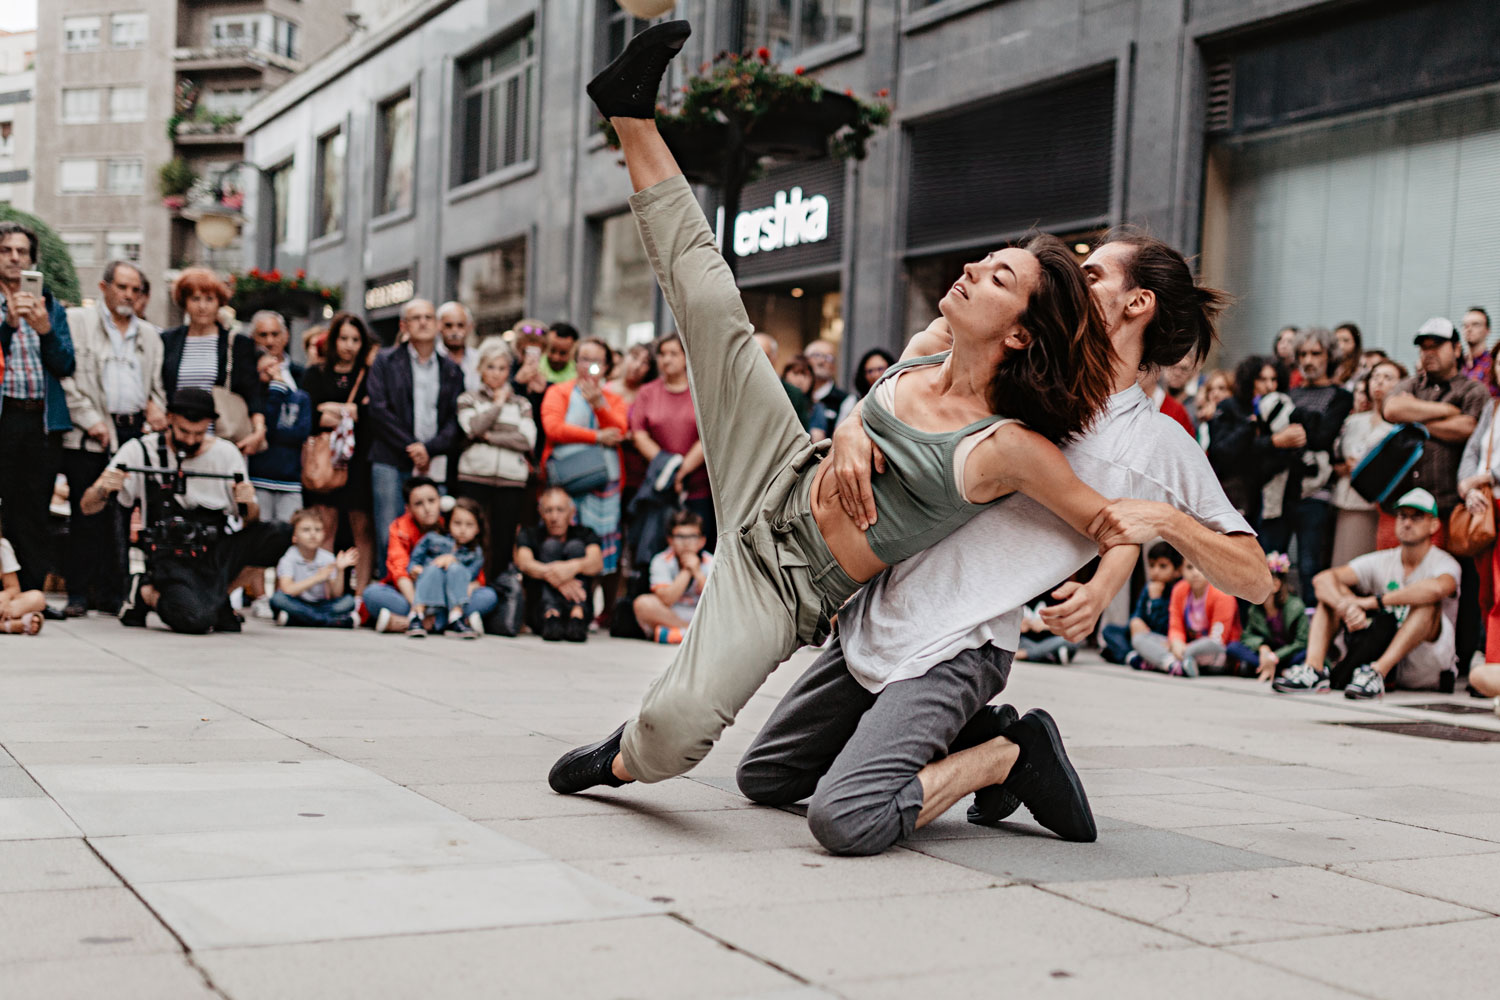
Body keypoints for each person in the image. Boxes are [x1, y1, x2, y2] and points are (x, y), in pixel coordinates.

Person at [550, 21, 1138, 807]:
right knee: (714, 304)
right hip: (779, 467)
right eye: (984, 260)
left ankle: (621, 757)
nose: (969, 270)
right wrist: (857, 422)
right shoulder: (931, 345)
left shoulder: (1011, 447)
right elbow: (874, 395)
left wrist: (1099, 592)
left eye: (996, 276)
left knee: (678, 732)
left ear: (1021, 331)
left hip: (787, 586)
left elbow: (1110, 521)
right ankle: (628, 112)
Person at [736, 229, 1270, 857]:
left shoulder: (1156, 445)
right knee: (765, 776)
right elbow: (904, 384)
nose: (1075, 279)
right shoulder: (1019, 370)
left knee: (846, 819)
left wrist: (1171, 525)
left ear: (1137, 304)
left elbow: (1256, 578)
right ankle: (972, 735)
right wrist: (853, 427)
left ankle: (1002, 756)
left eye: (1093, 275)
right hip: (884, 614)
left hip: (962, 645)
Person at [80, 388, 292, 634]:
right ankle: (146, 593)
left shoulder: (226, 454)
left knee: (279, 533)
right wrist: (104, 490)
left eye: (199, 434)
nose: (190, 441)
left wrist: (249, 504)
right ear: (169, 419)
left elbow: (250, 520)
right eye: (183, 432)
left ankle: (218, 597)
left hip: (214, 549)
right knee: (195, 621)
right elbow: (88, 506)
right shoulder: (141, 450)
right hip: (169, 557)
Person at [1275, 488, 1459, 699]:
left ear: (1434, 524)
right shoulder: (1384, 559)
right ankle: (1313, 669)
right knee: (1331, 597)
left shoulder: (1444, 562)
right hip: (1373, 666)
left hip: (1426, 669)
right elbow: (1322, 580)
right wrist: (1348, 605)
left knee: (1427, 604)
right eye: (1402, 516)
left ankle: (1377, 672)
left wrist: (1372, 603)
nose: (1407, 523)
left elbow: (1437, 588)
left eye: (1416, 517)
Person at [1381, 317, 1488, 676]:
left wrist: (1417, 419)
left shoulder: (1473, 390)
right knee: (1407, 582)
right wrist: (1443, 413)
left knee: (1460, 588)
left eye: (1436, 345)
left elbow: (1469, 428)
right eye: (1423, 347)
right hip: (1408, 506)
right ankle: (1401, 658)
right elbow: (1393, 409)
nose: (1428, 353)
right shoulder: (1410, 384)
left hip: (1450, 506)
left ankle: (1457, 660)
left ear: (1456, 348)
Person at [60, 260, 165, 616]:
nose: (129, 295)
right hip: (90, 432)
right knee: (86, 511)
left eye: (136, 289)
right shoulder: (78, 322)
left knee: (121, 515)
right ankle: (77, 592)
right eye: (122, 287)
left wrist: (156, 412)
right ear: (104, 287)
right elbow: (67, 379)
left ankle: (111, 593)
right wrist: (90, 420)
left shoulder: (150, 334)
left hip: (133, 432)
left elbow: (157, 387)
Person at [0, 219, 76, 593]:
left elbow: (66, 364)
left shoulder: (50, 304)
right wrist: (8, 326)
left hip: (41, 422)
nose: (15, 258)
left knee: (35, 509)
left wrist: (45, 330)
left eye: (22, 252)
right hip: (5, 418)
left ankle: (31, 591)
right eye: (6, 250)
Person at [366, 298, 465, 574]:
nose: (423, 322)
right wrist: (411, 446)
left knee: (432, 531)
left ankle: (426, 598)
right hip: (390, 457)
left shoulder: (451, 369)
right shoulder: (386, 361)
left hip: (432, 461)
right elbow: (378, 409)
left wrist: (429, 449)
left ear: (437, 325)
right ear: (404, 325)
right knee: (389, 530)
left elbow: (455, 419)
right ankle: (390, 594)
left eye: (428, 317)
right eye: (416, 317)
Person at [1257, 327, 1353, 605]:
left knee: (1311, 566)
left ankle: (1312, 633)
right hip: (1279, 493)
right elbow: (1265, 439)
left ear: (1329, 356)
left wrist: (1292, 434)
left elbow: (1323, 437)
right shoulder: (1288, 393)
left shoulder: (1340, 396)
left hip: (1316, 495)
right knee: (1271, 565)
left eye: (1315, 353)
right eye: (1302, 354)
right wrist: (1284, 438)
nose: (1308, 360)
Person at [541, 336, 628, 619]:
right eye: (584, 359)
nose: (589, 365)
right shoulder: (559, 391)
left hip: (605, 482)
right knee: (567, 538)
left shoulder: (613, 398)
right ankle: (565, 603)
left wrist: (600, 406)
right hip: (569, 479)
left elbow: (620, 431)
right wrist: (596, 437)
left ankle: (591, 608)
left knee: (600, 541)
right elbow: (553, 427)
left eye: (597, 361)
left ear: (606, 366)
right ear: (575, 362)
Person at [363, 476, 498, 634]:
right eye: (419, 504)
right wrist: (420, 606)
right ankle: (438, 621)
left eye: (432, 501)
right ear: (408, 509)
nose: (427, 508)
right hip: (413, 595)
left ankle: (410, 622)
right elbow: (400, 573)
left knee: (488, 596)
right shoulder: (399, 528)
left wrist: (456, 572)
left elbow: (476, 577)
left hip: (451, 596)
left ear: (441, 501)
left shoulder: (455, 522)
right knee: (372, 594)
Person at [302, 312, 377, 592]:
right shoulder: (315, 374)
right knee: (326, 526)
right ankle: (325, 590)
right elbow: (309, 415)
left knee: (362, 529)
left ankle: (361, 596)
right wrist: (350, 412)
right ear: (333, 340)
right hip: (325, 460)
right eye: (344, 338)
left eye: (355, 339)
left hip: (359, 460)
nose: (349, 345)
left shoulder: (369, 376)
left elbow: (371, 417)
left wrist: (331, 409)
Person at [161, 268, 264, 454]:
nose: (203, 306)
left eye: (209, 299)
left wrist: (259, 430)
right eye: (195, 299)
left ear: (219, 303)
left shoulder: (237, 343)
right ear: (184, 302)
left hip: (223, 440)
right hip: (177, 439)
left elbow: (252, 392)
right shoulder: (168, 340)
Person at [456, 339, 535, 579]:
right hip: (474, 476)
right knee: (470, 535)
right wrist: (498, 405)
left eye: (502, 368)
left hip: (511, 480)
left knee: (503, 539)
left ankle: (498, 595)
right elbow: (473, 428)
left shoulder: (522, 403)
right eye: (491, 367)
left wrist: (489, 436)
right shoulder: (468, 399)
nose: (497, 373)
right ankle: (467, 586)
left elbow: (526, 440)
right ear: (480, 369)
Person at [630, 333, 712, 544]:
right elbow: (639, 434)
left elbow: (707, 436)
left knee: (698, 548)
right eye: (662, 354)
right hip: (658, 487)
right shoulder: (647, 392)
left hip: (697, 487)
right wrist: (667, 468)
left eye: (673, 354)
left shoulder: (702, 392)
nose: (666, 359)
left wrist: (680, 471)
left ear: (686, 357)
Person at [1330, 363, 1398, 566]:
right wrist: (1342, 467)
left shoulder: (1398, 427)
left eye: (1387, 377)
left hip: (1373, 504)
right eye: (1375, 376)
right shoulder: (1352, 421)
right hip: (1344, 499)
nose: (1379, 381)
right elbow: (1335, 457)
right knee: (1340, 560)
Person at [1126, 558, 1241, 676]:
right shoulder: (1179, 589)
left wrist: (1183, 649)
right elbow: (1175, 627)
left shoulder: (1222, 595)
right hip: (1183, 646)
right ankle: (1173, 664)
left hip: (1214, 651)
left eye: (1201, 568)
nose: (1195, 573)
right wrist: (1176, 643)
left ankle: (1159, 661)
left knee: (1209, 647)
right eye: (1190, 567)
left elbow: (1217, 640)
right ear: (1182, 570)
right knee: (1139, 638)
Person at [516, 486, 603, 642]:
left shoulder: (586, 533)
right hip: (540, 612)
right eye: (548, 511)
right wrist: (556, 576)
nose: (554, 517)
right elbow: (524, 563)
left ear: (572, 512)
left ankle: (577, 613)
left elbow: (596, 563)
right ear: (541, 513)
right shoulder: (529, 534)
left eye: (560, 510)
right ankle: (552, 613)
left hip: (579, 608)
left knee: (575, 547)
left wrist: (572, 568)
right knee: (551, 546)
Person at [1199, 357, 1271, 524]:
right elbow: (1220, 451)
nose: (1216, 393)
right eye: (1212, 389)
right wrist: (1249, 426)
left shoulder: (1268, 410)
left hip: (1260, 493)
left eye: (1222, 388)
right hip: (1228, 492)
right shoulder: (1226, 413)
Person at [404, 496, 487, 639]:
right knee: (434, 569)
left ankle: (455, 616)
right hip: (428, 589)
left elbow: (469, 576)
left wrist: (453, 560)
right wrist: (415, 569)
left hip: (453, 596)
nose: (462, 530)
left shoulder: (476, 552)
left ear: (478, 528)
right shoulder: (432, 538)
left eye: (469, 525)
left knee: (485, 592)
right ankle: (417, 615)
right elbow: (414, 561)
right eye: (457, 523)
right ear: (448, 523)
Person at [247, 350, 312, 524]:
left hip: (290, 480)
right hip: (260, 478)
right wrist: (276, 391)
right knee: (260, 533)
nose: (270, 371)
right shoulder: (257, 398)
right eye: (265, 367)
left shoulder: (301, 397)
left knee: (288, 532)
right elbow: (266, 428)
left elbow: (302, 434)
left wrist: (272, 434)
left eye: (273, 366)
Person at [632, 508, 712, 645]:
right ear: (670, 540)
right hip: (672, 614)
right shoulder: (661, 560)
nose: (686, 542)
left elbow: (717, 600)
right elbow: (667, 599)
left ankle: (678, 635)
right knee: (642, 603)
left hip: (701, 615)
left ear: (702, 541)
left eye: (692, 536)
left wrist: (698, 573)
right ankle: (693, 635)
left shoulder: (712, 561)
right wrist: (687, 570)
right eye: (680, 537)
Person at [1225, 551, 1307, 680]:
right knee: (1233, 647)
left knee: (1306, 653)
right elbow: (1247, 636)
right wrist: (1263, 648)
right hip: (1266, 653)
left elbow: (1301, 642)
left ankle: (1271, 668)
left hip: (1287, 654)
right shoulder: (1255, 608)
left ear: (1275, 585)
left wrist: (1275, 657)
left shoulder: (1295, 606)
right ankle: (1278, 671)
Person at [271, 508, 358, 628]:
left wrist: (340, 570)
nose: (313, 534)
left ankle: (298, 620)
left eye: (317, 530)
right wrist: (317, 578)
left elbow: (336, 594)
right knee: (278, 599)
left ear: (323, 534)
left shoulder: (327, 557)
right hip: (297, 602)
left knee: (348, 602)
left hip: (320, 604)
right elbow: (287, 589)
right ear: (294, 536)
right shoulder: (288, 557)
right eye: (306, 530)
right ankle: (331, 621)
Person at [1101, 541, 1181, 664]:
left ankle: (1129, 656)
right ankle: (1132, 656)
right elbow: (1139, 612)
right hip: (1142, 633)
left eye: (1163, 566)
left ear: (1177, 570)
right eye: (1152, 565)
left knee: (1117, 648)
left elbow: (1165, 626)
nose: (1155, 571)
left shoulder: (1177, 590)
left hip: (1160, 637)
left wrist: (1156, 600)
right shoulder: (1149, 587)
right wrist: (1136, 621)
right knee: (1109, 630)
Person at [755, 332, 811, 430]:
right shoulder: (734, 389)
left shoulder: (794, 394)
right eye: (754, 354)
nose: (759, 359)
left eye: (765, 355)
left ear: (775, 357)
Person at [0, 520, 46, 634]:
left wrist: (5, 596)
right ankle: (8, 626)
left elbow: (13, 587)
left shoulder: (2, 546)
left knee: (37, 598)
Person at [835, 348, 897, 427]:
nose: (875, 375)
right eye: (870, 371)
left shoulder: (898, 399)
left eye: (880, 369)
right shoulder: (852, 402)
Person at [436, 301, 481, 393]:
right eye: (448, 325)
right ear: (439, 326)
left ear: (470, 327)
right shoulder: (432, 359)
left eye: (460, 325)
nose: (455, 330)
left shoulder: (478, 359)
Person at [249, 310, 304, 384]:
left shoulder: (301, 373)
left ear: (286, 336)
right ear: (252, 338)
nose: (270, 341)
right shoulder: (245, 372)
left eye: (275, 334)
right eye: (263, 335)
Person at [804, 338, 848, 424]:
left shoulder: (845, 401)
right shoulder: (794, 394)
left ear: (834, 366)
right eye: (816, 355)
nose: (821, 361)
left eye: (828, 358)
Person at [1460, 307, 1493, 395]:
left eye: (1476, 324)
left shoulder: (1493, 365)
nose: (1469, 329)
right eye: (1465, 325)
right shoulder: (1456, 364)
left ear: (1488, 330)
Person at [1332, 322, 1363, 388]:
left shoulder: (1360, 366)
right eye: (1336, 340)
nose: (1340, 345)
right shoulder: (1329, 364)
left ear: (1355, 343)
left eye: (1346, 341)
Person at [1273, 324, 1301, 388]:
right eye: (1280, 340)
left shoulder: (1303, 373)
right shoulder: (1270, 369)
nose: (1283, 345)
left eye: (1290, 341)